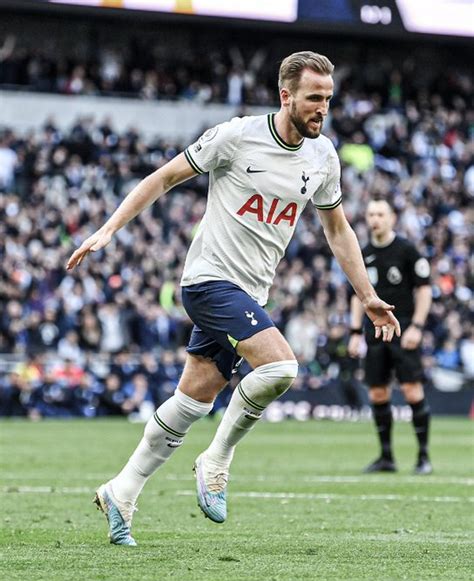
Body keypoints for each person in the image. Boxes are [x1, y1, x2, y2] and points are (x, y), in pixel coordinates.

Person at [66, 51, 400, 546]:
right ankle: (216, 460)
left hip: (250, 291)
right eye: (313, 98)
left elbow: (337, 229)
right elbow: (164, 177)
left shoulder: (322, 156)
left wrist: (367, 295)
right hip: (208, 281)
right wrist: (109, 230)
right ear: (285, 96)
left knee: (191, 402)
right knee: (280, 368)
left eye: (328, 100)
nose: (322, 109)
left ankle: (122, 490)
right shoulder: (237, 136)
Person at [348, 198, 432, 475]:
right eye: (371, 213)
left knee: (411, 389)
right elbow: (357, 297)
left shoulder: (407, 251)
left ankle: (423, 457)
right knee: (377, 392)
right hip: (374, 332)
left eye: (381, 214)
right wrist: (355, 332)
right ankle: (387, 457)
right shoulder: (363, 254)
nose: (375, 219)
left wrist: (417, 327)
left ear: (392, 218)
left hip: (404, 327)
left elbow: (424, 290)